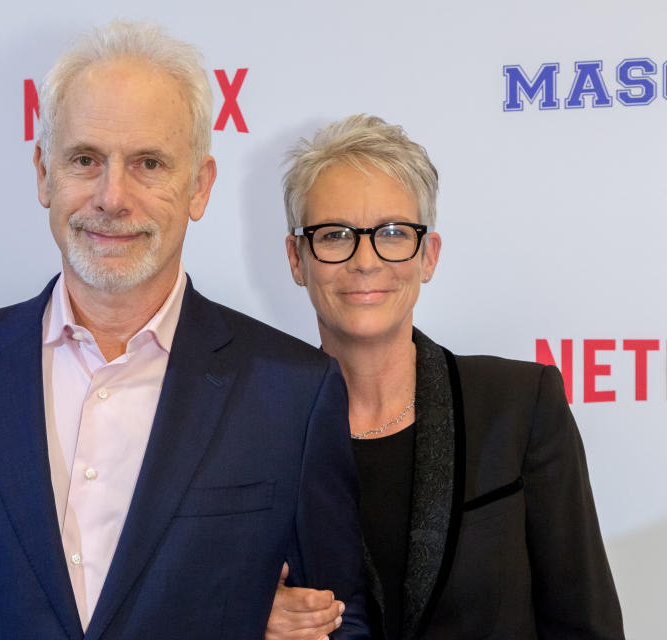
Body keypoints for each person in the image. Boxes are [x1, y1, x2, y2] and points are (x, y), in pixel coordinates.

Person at [0, 22, 369, 639]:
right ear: (43, 174)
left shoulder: (293, 392)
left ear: (199, 185)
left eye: (149, 163)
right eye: (86, 160)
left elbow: (340, 620)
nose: (113, 197)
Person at [265, 115, 624, 640]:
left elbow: (584, 624)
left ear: (427, 255)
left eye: (391, 232)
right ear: (298, 259)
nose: (365, 260)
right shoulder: (252, 431)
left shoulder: (520, 407)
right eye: (335, 234)